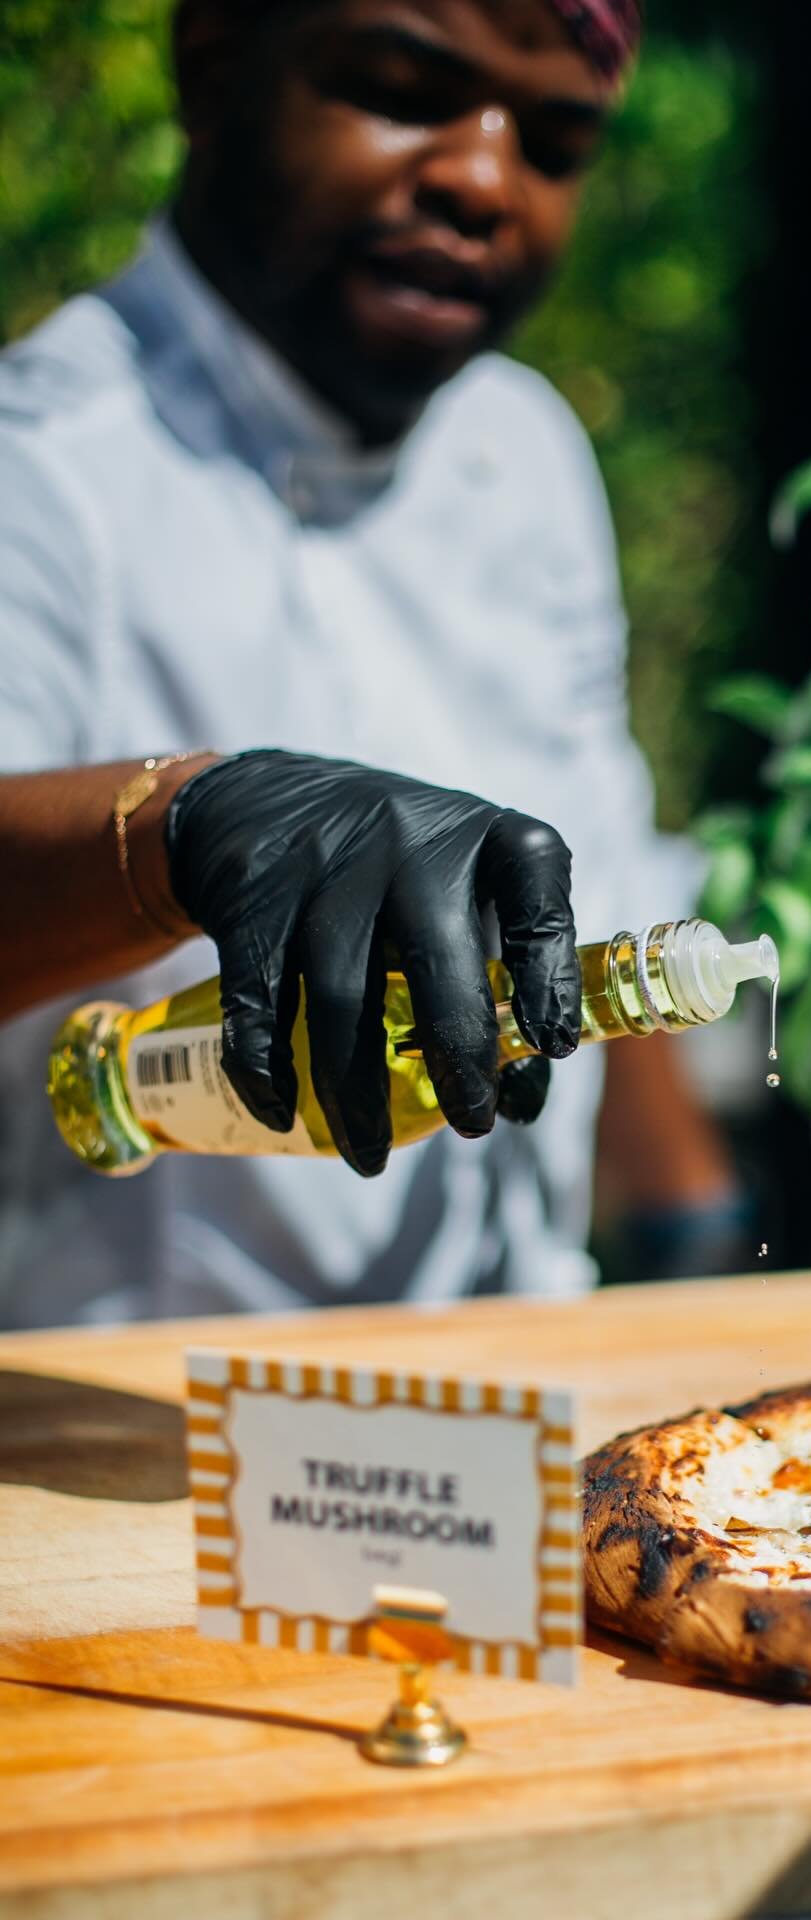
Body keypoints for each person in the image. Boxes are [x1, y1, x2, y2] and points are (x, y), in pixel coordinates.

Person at [0, 0, 741, 1328]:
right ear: (216, 62)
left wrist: (698, 1225)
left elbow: (592, 894)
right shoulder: (46, 472)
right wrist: (188, 824)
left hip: (516, 1386)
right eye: (401, 89)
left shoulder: (523, 451)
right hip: (156, 1434)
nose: (480, 178)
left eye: (556, 146)